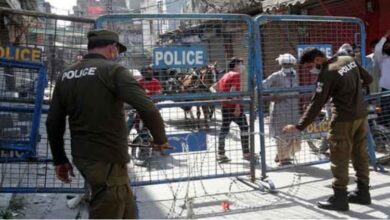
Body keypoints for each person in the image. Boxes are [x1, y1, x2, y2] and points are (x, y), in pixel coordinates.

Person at [46, 29, 169, 219]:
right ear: (112, 48)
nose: (117, 55)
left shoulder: (66, 75)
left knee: (126, 207)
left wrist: (59, 159)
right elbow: (148, 108)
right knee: (110, 207)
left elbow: (53, 122)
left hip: (84, 157)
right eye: (118, 50)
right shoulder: (113, 71)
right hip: (108, 159)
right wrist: (160, 139)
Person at [282, 48, 373, 211]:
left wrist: (299, 126)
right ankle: (363, 192)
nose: (311, 70)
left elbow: (317, 103)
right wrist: (353, 90)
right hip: (361, 115)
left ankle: (339, 198)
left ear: (318, 60)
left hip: (343, 119)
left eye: (310, 66)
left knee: (339, 157)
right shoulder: (347, 60)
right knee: (360, 154)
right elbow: (368, 78)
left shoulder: (327, 73)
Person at [262, 53, 301, 166]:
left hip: (294, 108)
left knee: (293, 132)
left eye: (288, 63)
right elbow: (262, 86)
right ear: (281, 64)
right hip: (280, 109)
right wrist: (271, 97)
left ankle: (282, 155)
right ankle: (283, 158)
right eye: (284, 63)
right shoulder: (276, 76)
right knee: (281, 132)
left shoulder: (296, 75)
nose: (286, 65)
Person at [216, 57, 252, 163]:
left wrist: (223, 98)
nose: (242, 66)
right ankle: (246, 153)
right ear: (236, 65)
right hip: (234, 107)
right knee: (244, 127)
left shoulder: (225, 75)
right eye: (240, 64)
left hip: (225, 106)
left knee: (224, 129)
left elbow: (214, 87)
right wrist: (237, 107)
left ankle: (221, 153)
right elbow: (234, 92)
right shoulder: (236, 75)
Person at [375, 30, 390, 127]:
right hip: (386, 90)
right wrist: (385, 36)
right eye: (386, 45)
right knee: (385, 112)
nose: (388, 47)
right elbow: (377, 48)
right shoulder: (382, 58)